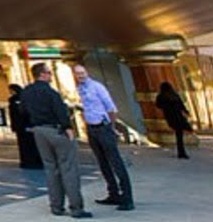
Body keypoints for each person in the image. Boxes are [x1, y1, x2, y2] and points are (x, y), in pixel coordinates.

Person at [23, 63, 92, 218]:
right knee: (68, 168)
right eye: (49, 72)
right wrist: (68, 128)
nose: (51, 75)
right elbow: (60, 111)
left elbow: (23, 111)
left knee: (50, 169)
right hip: (56, 130)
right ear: (42, 74)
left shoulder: (27, 92)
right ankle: (76, 207)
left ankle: (56, 206)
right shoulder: (51, 92)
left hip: (39, 131)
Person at [73, 64, 134, 211]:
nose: (81, 75)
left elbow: (111, 108)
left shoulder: (97, 87)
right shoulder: (80, 88)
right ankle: (113, 193)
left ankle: (127, 197)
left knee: (115, 162)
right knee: (102, 162)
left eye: (82, 72)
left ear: (87, 72)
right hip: (92, 128)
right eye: (78, 73)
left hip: (103, 126)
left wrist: (111, 127)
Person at [8, 84, 43, 169]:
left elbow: (17, 114)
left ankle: (29, 161)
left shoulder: (16, 100)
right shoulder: (25, 99)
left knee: (25, 143)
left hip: (22, 125)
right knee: (30, 143)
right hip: (26, 124)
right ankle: (33, 160)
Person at [155, 82, 192, 159]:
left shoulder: (161, 96)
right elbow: (181, 105)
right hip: (178, 116)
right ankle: (181, 152)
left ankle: (181, 152)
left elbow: (158, 105)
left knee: (179, 134)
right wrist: (186, 111)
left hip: (171, 117)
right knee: (180, 134)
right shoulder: (174, 95)